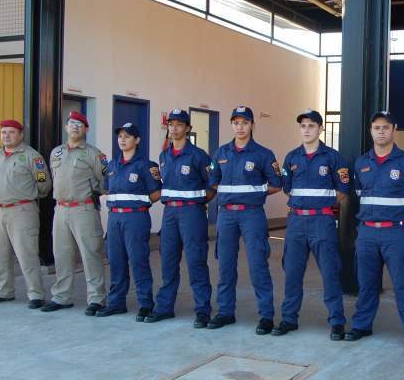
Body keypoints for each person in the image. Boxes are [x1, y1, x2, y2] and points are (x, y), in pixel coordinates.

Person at [346, 111, 404, 349]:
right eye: (376, 127)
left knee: (403, 282)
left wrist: (402, 223)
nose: (381, 131)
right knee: (366, 283)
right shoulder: (362, 163)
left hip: (397, 233)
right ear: (371, 131)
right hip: (368, 233)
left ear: (394, 130)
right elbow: (360, 196)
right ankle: (362, 325)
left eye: (385, 127)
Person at [207, 106, 283, 334]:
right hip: (226, 215)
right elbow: (213, 181)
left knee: (258, 264)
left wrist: (254, 193)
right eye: (236, 122)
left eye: (244, 122)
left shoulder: (263, 154)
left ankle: (266, 316)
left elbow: (276, 184)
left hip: (252, 214)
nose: (240, 127)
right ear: (232, 125)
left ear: (252, 125)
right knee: (225, 265)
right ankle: (225, 312)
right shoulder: (221, 153)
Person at [276, 109, 351, 339]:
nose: (307, 129)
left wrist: (323, 206)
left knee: (330, 272)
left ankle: (337, 321)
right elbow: (287, 187)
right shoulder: (291, 157)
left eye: (311, 125)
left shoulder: (333, 157)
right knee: (292, 272)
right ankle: (289, 319)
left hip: (322, 221)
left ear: (321, 128)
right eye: (303, 126)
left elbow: (343, 190)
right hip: (297, 221)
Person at [150, 109, 215, 326]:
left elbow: (212, 186)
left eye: (179, 124)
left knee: (196, 261)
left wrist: (198, 203)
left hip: (192, 214)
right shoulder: (164, 156)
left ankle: (203, 310)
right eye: (171, 124)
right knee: (168, 260)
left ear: (188, 128)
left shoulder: (199, 156)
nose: (174, 128)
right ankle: (165, 307)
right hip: (170, 214)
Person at [43, 111, 108, 315]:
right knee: (61, 255)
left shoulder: (94, 154)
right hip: (61, 210)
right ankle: (62, 297)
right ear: (66, 127)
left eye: (80, 125)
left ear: (86, 129)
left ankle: (96, 298)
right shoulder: (56, 153)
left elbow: (106, 181)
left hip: (84, 209)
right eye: (71, 123)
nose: (75, 127)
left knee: (91, 254)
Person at [97, 123, 161, 321]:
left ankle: (145, 304)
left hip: (135, 218)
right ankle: (116, 303)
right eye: (120, 136)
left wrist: (137, 204)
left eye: (127, 136)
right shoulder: (112, 166)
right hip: (114, 218)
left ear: (137, 140)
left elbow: (157, 193)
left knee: (138, 260)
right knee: (115, 260)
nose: (122, 140)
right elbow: (108, 190)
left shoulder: (146, 166)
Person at [0, 119, 52, 308]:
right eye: (4, 132)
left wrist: (24, 196)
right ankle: (3, 291)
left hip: (22, 211)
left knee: (27, 254)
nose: (6, 136)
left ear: (21, 135)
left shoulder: (33, 157)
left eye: (11, 132)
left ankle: (36, 294)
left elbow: (44, 184)